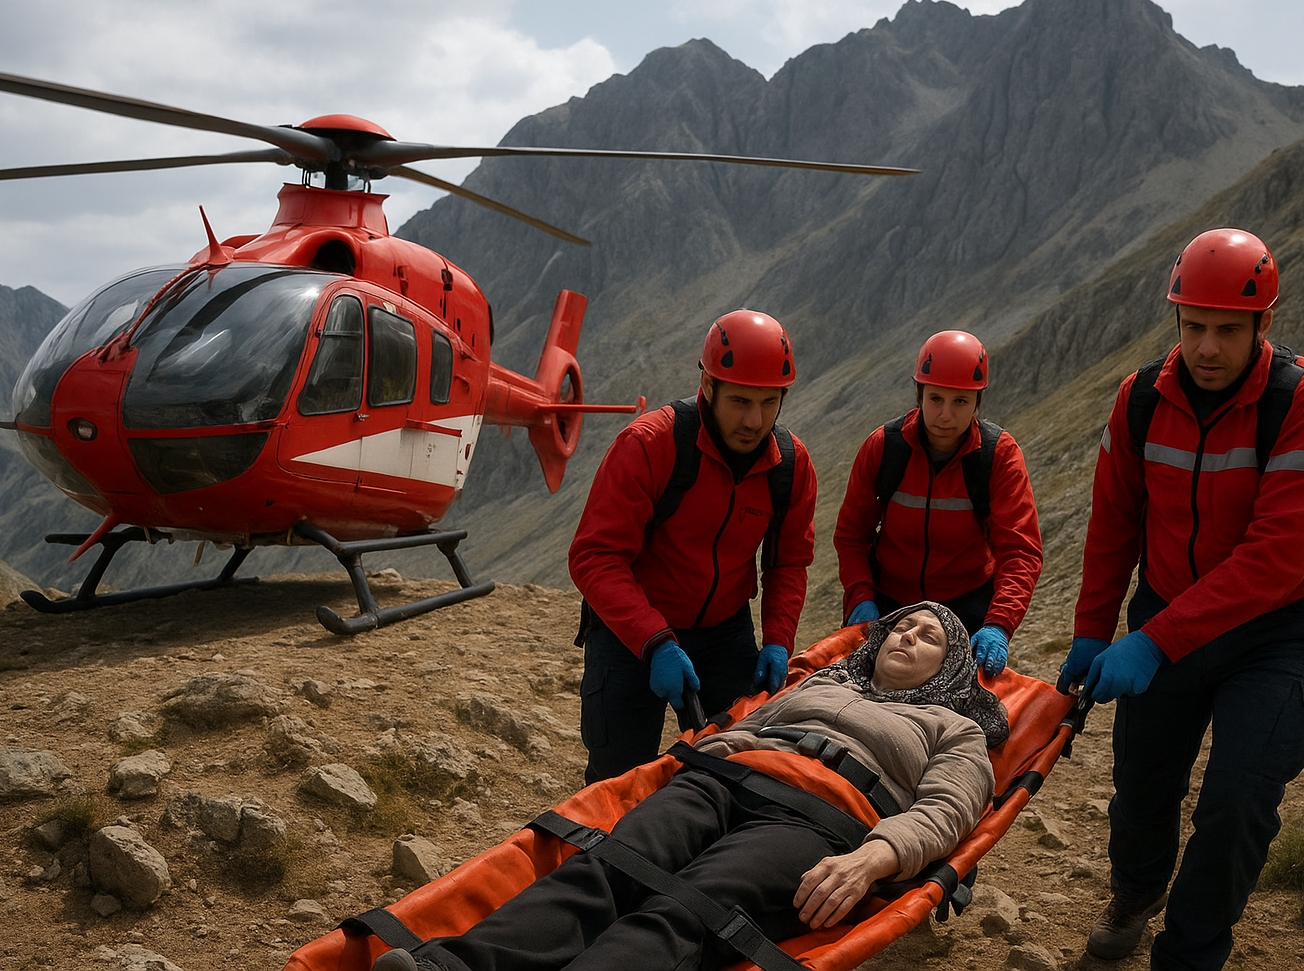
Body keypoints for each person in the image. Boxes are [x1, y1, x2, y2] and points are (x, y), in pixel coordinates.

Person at [372, 602, 1006, 971]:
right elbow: (745, 728)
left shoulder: (953, 728)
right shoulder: (824, 683)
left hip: (818, 818)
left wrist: (872, 859)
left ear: (949, 667)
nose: (907, 636)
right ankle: (450, 967)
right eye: (902, 626)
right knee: (606, 869)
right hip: (723, 779)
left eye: (929, 637)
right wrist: (694, 766)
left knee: (688, 908)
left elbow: (946, 812)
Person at [1058, 228, 1304, 970]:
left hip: (1277, 630)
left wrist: (1153, 642)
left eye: (1228, 330)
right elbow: (1114, 525)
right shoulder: (1140, 400)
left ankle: (1190, 953)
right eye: (1194, 328)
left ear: (1265, 325)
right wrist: (1093, 629)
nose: (1209, 348)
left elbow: (1278, 558)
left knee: (1239, 799)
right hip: (1166, 606)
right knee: (1143, 781)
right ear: (1176, 321)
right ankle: (1137, 889)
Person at [567, 310, 818, 784]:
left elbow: (788, 564)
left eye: (769, 402)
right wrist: (655, 640)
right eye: (740, 400)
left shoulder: (790, 466)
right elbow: (594, 556)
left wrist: (780, 640)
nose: (754, 419)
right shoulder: (649, 444)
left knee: (732, 770)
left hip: (724, 631)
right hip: (630, 635)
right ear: (708, 386)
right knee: (617, 777)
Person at [834, 329, 1042, 676]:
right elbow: (852, 535)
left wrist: (999, 624)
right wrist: (861, 596)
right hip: (887, 603)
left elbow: (1020, 551)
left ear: (977, 401)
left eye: (960, 401)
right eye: (935, 399)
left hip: (967, 608)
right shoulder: (884, 448)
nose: (946, 415)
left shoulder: (999, 456)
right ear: (920, 395)